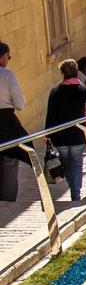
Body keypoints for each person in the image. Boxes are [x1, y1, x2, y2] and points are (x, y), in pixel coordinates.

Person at [45, 58, 86, 201]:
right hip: (77, 134)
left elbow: (50, 115)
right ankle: (75, 193)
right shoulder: (82, 90)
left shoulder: (55, 91)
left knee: (66, 163)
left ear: (62, 73)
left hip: (60, 136)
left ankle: (73, 188)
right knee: (76, 163)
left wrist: (47, 134)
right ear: (76, 72)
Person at [0, 42, 31, 202]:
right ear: (3, 56)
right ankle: (7, 201)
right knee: (10, 159)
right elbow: (19, 104)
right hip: (5, 122)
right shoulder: (8, 75)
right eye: (9, 57)